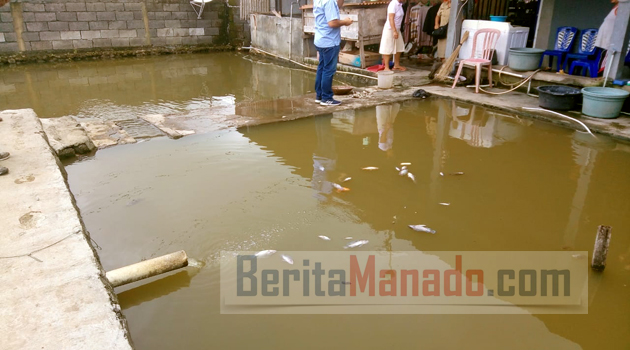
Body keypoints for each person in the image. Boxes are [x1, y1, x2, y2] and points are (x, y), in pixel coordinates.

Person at [314, 0, 353, 106]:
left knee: (321, 68)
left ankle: (320, 95)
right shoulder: (329, 2)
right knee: (328, 70)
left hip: (320, 39)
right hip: (329, 42)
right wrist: (345, 22)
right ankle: (326, 98)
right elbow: (332, 23)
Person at [379, 0, 406, 71]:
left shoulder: (400, 5)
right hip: (390, 28)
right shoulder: (393, 4)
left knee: (399, 47)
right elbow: (391, 18)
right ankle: (386, 67)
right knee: (388, 47)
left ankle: (396, 65)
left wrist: (396, 30)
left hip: (397, 28)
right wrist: (394, 31)